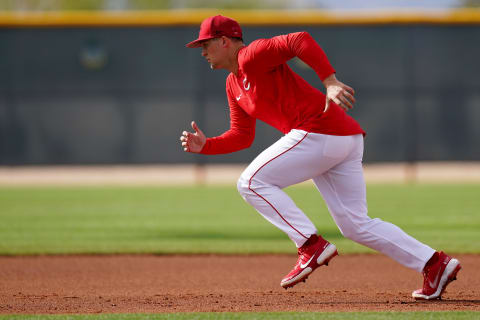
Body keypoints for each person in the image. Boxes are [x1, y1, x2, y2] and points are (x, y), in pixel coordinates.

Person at [180, 15, 461, 300]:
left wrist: (330, 81)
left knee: (250, 182)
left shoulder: (251, 56)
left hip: (319, 131)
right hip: (339, 139)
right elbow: (243, 135)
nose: (202, 51)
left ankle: (310, 245)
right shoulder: (233, 84)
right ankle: (434, 264)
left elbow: (299, 39)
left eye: (206, 44)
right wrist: (207, 146)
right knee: (355, 225)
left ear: (225, 41)